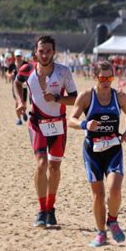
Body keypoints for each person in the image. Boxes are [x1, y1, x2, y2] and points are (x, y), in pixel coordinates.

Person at [68, 61, 126, 247]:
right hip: (92, 152)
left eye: (110, 78)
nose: (107, 82)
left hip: (113, 149)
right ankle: (101, 233)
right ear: (95, 77)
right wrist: (84, 124)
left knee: (115, 189)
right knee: (98, 194)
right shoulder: (86, 96)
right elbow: (70, 119)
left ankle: (112, 220)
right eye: (103, 78)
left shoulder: (119, 97)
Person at [14, 36, 78, 228]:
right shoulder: (27, 70)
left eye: (48, 51)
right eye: (41, 51)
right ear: (36, 52)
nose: (44, 55)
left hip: (58, 125)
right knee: (41, 164)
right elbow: (17, 82)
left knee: (54, 168)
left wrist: (58, 98)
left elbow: (75, 99)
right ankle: (41, 210)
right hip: (37, 123)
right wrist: (20, 101)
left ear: (54, 52)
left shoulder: (63, 72)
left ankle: (51, 208)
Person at [8, 50, 29, 125]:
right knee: (17, 101)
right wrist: (10, 75)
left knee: (24, 102)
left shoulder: (26, 64)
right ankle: (18, 119)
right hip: (15, 86)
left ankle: (23, 112)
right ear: (15, 56)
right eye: (17, 56)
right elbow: (7, 73)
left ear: (22, 56)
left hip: (24, 85)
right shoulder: (12, 65)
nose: (18, 58)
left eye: (19, 56)